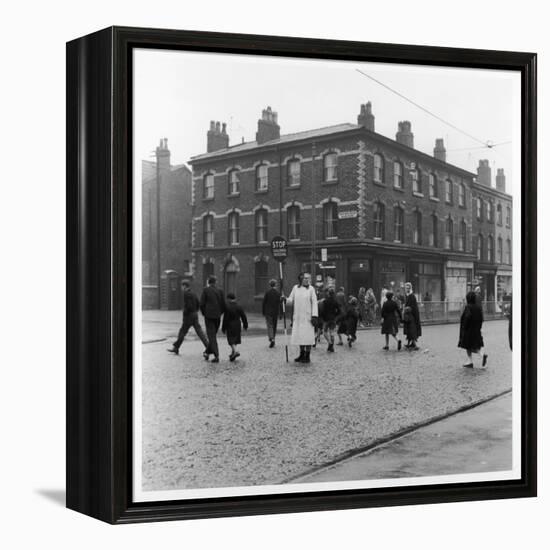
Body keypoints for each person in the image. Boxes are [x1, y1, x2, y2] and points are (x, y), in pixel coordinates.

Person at [167, 280, 209, 356]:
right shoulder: (193, 293)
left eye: (182, 286)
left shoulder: (186, 294)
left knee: (182, 332)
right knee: (200, 332)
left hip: (189, 316)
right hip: (195, 314)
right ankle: (208, 347)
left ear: (184, 286)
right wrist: (195, 311)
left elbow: (188, 306)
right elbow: (198, 303)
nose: (181, 288)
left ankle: (176, 348)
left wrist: (185, 312)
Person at [284, 272, 318, 363]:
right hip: (298, 317)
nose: (307, 280)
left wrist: (314, 315)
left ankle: (307, 355)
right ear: (300, 280)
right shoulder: (295, 288)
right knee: (300, 336)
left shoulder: (311, 289)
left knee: (308, 337)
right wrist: (285, 299)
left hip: (308, 317)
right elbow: (291, 300)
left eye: (308, 278)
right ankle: (301, 354)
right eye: (305, 278)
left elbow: (314, 302)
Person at [199, 275, 226, 363]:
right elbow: (223, 304)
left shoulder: (206, 290)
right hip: (217, 316)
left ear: (208, 282)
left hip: (209, 316)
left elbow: (202, 304)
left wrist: (204, 313)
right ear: (215, 282)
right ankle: (207, 352)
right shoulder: (220, 291)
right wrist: (220, 313)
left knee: (212, 336)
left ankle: (216, 355)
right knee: (213, 335)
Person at [458, 290, 488, 368]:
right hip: (476, 330)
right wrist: (479, 327)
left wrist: (464, 328)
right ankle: (482, 354)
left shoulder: (468, 307)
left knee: (468, 346)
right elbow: (481, 318)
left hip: (469, 330)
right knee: (475, 346)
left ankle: (470, 361)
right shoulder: (478, 308)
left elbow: (466, 318)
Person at [221, 293, 248, 361]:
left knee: (231, 340)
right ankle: (233, 353)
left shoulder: (227, 307)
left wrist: (223, 328)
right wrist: (245, 325)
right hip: (237, 324)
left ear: (229, 299)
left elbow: (225, 318)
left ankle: (235, 352)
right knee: (235, 339)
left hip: (230, 325)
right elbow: (243, 316)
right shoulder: (239, 306)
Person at [319, 288, 341, 352]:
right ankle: (331, 347)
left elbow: (323, 310)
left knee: (324, 332)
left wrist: (322, 317)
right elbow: (339, 311)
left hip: (326, 319)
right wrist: (335, 315)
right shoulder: (335, 301)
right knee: (332, 333)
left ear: (329, 293)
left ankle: (329, 342)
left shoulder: (325, 301)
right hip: (333, 319)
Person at [262, 279, 281, 348]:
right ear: (275, 284)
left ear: (270, 285)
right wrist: (281, 313)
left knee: (270, 326)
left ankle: (272, 338)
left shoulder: (267, 292)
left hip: (268, 312)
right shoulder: (278, 293)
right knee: (274, 326)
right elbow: (280, 304)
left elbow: (264, 303)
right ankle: (273, 338)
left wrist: (263, 311)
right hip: (275, 312)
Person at [404, 282, 422, 350]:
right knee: (409, 329)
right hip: (408, 315)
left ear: (410, 288)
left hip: (411, 316)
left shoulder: (411, 296)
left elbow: (413, 307)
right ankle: (410, 343)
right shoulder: (408, 295)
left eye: (408, 288)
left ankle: (415, 344)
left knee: (412, 330)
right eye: (406, 288)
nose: (407, 289)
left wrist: (407, 309)